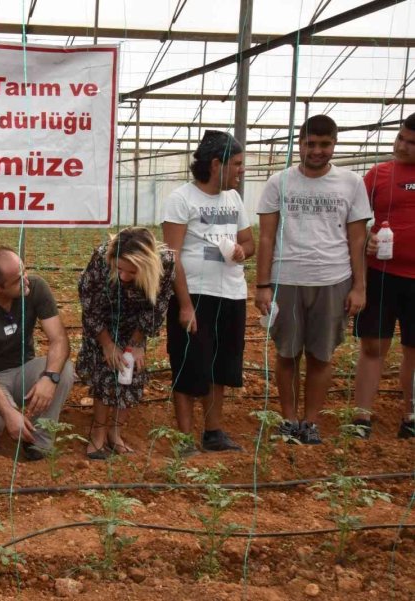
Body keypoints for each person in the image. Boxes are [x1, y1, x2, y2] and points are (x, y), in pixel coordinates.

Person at [256, 115, 370, 444]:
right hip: (286, 278)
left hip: (333, 279)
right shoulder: (279, 182)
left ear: (334, 144)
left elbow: (357, 240)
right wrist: (262, 285)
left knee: (321, 355)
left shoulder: (351, 183)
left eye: (324, 144)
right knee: (287, 353)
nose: (317, 151)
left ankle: (311, 421)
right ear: (300, 143)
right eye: (310, 144)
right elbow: (266, 237)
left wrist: (359, 286)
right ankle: (289, 419)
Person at [162, 130, 255, 455]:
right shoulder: (182, 199)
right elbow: (171, 256)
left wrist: (241, 251)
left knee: (221, 365)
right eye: (238, 164)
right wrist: (185, 305)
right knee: (189, 363)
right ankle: (185, 438)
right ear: (217, 164)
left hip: (231, 293)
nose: (242, 171)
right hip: (195, 295)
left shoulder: (234, 199)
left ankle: (213, 432)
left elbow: (249, 242)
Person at [0, 246, 74, 460]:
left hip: (21, 369)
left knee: (63, 369)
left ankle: (39, 444)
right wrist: (10, 412)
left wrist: (50, 378)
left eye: (25, 272)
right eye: (18, 279)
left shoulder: (36, 288)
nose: (26, 280)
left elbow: (59, 340)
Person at [77, 227, 175, 459]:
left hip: (135, 323)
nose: (123, 277)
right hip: (103, 321)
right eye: (119, 269)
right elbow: (89, 304)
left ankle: (115, 433)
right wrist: (107, 343)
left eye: (132, 272)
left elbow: (158, 305)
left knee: (130, 371)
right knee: (106, 369)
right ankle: (98, 434)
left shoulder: (166, 263)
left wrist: (137, 343)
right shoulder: (101, 259)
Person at [353, 113, 415, 439]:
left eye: (411, 143)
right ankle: (361, 417)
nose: (402, 146)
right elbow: (354, 218)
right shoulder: (379, 174)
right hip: (381, 274)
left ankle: (411, 415)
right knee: (373, 345)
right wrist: (367, 238)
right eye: (401, 138)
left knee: (413, 349)